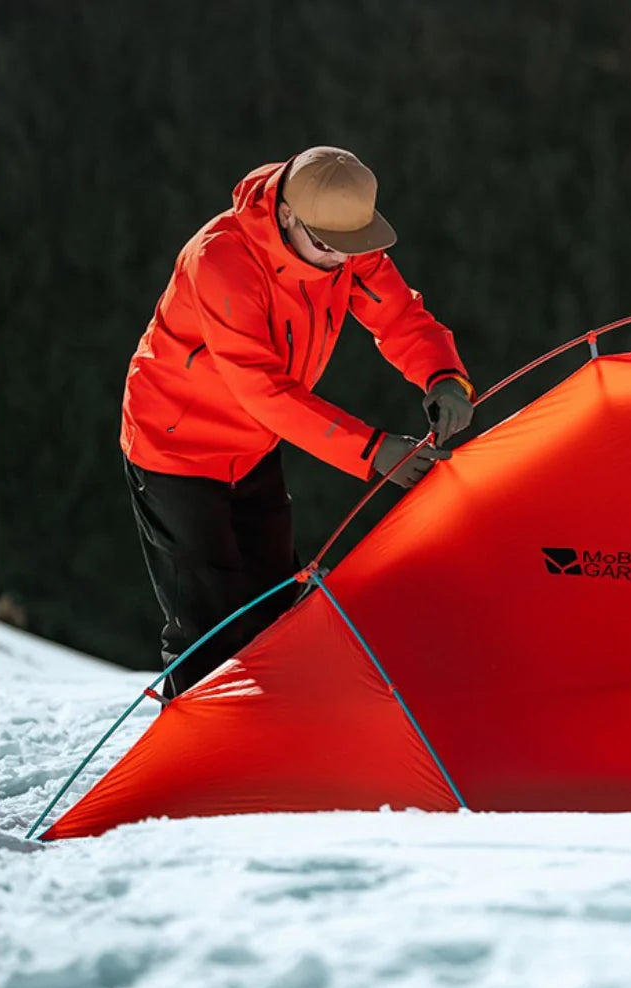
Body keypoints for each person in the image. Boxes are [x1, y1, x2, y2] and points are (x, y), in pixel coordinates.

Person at [120, 146, 475, 699]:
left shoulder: (342, 236)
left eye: (352, 247)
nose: (341, 261)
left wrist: (444, 374)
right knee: (207, 625)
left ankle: (275, 744)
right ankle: (197, 762)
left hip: (255, 445)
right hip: (177, 451)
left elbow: (398, 314)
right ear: (286, 214)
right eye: (328, 248)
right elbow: (262, 390)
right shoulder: (222, 260)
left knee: (276, 603)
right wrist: (373, 450)